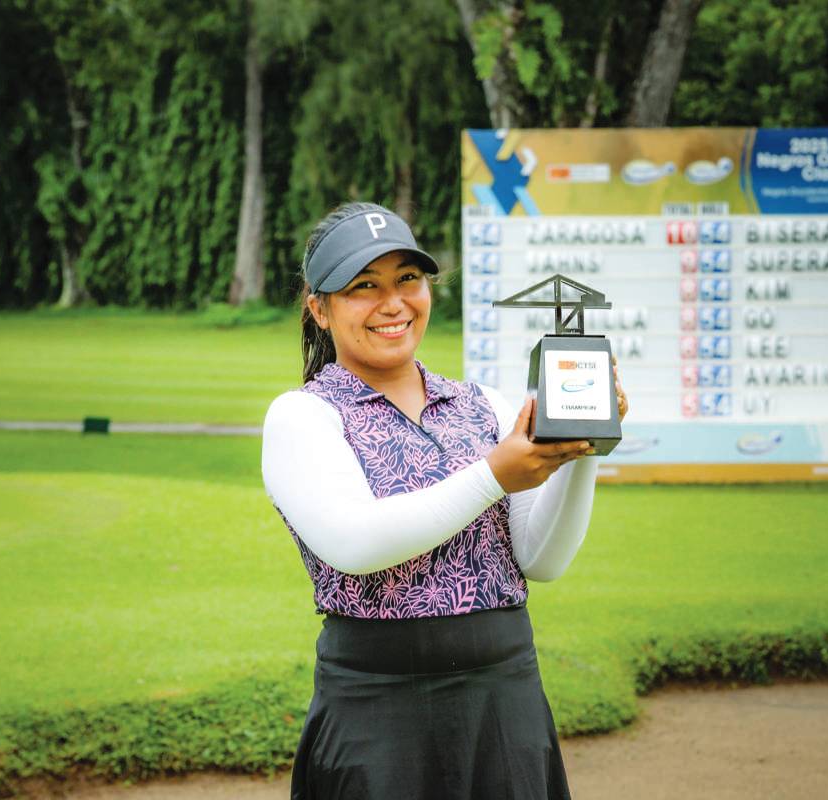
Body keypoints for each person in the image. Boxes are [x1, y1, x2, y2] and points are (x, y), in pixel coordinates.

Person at [261, 201, 629, 800]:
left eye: (408, 278)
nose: (393, 303)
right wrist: (494, 475)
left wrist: (584, 449)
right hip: (377, 709)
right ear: (318, 309)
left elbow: (541, 560)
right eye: (363, 287)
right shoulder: (303, 416)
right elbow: (357, 543)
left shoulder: (482, 404)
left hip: (503, 701)